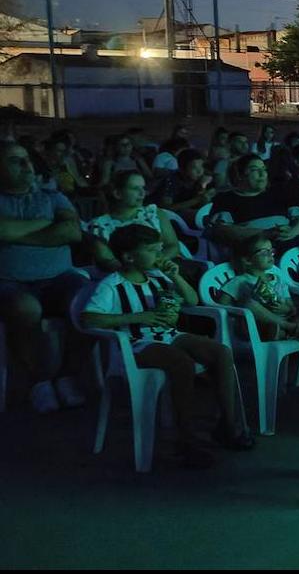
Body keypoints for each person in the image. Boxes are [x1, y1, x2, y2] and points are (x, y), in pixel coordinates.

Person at [81, 224, 252, 467]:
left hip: (167, 335)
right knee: (181, 363)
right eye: (151, 250)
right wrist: (138, 317)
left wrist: (175, 276)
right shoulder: (112, 285)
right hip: (135, 344)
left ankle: (227, 426)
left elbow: (191, 300)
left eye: (159, 249)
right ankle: (185, 440)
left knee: (220, 352)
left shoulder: (157, 276)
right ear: (129, 256)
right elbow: (89, 318)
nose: (159, 256)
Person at [0, 140, 90, 412]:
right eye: (16, 160)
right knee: (25, 309)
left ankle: (67, 373)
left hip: (59, 279)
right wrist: (48, 229)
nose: (27, 166)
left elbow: (72, 232)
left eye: (27, 159)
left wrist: (18, 234)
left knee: (94, 301)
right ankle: (38, 380)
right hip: (10, 282)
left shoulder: (52, 197)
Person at [218, 236, 299, 340]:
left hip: (285, 320)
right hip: (257, 325)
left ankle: (289, 331)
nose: (270, 255)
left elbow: (291, 306)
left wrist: (286, 309)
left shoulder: (278, 279)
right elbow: (222, 305)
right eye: (264, 252)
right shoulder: (239, 281)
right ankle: (290, 330)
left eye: (271, 251)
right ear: (248, 260)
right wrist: (248, 306)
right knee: (249, 303)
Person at [88, 170, 183, 273]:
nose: (142, 193)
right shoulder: (100, 225)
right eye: (135, 189)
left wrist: (156, 263)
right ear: (117, 193)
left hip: (163, 268)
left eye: (143, 188)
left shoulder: (153, 213)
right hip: (127, 277)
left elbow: (173, 246)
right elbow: (108, 262)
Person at [208, 155, 299, 251]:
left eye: (264, 169)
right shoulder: (225, 198)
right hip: (256, 250)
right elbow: (223, 230)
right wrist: (266, 233)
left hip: (291, 246)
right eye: (255, 170)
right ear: (240, 175)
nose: (262, 174)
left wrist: (293, 231)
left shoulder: (278, 192)